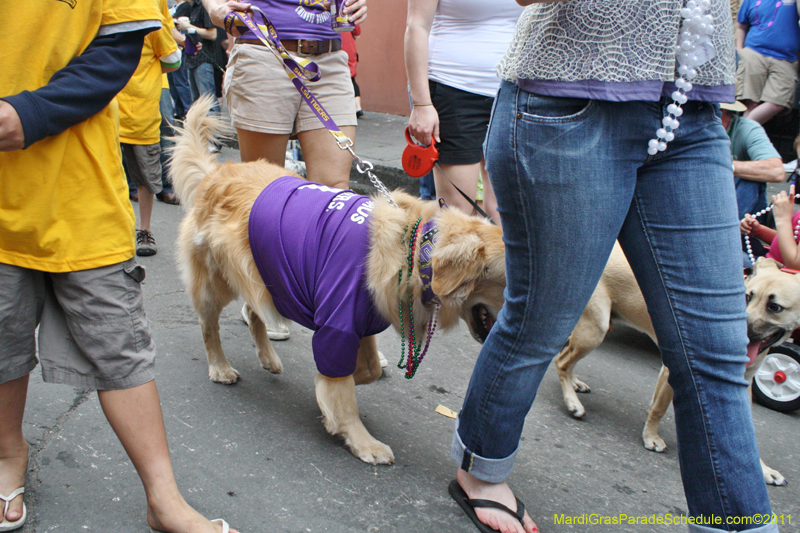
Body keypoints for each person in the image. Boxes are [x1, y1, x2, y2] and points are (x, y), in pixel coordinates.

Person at [450, 2, 778, 533]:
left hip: (692, 116)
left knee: (715, 350)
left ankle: (737, 524)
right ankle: (480, 469)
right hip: (568, 101)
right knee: (542, 320)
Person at [0, 2, 235, 532]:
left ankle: (163, 498)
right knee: (2, 336)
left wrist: (27, 113)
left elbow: (120, 52)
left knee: (120, 347)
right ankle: (6, 457)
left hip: (83, 194)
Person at [404, 0, 522, 226]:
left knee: (507, 210)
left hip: (514, 90)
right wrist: (421, 104)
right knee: (456, 214)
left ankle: (503, 262)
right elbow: (416, 26)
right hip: (454, 88)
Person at [119, 0, 183, 256]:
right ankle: (125, 230)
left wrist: (146, 75)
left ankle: (143, 231)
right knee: (115, 176)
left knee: (143, 176)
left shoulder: (152, 15)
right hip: (110, 111)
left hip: (139, 112)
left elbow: (172, 59)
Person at [736, 0, 800, 125]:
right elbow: (741, 25)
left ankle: (738, 134)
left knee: (779, 102)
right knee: (751, 103)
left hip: (786, 58)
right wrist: (740, 50)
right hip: (754, 52)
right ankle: (741, 139)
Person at [720, 100, 785, 221]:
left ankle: (731, 228)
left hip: (741, 208)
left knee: (750, 177)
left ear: (720, 111)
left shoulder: (747, 128)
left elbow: (776, 171)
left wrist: (722, 165)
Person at [176, 0, 222, 118]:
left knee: (208, 102)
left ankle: (214, 135)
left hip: (204, 59)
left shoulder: (203, 6)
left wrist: (189, 26)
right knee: (197, 104)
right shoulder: (188, 7)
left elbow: (212, 34)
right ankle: (200, 134)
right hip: (191, 59)